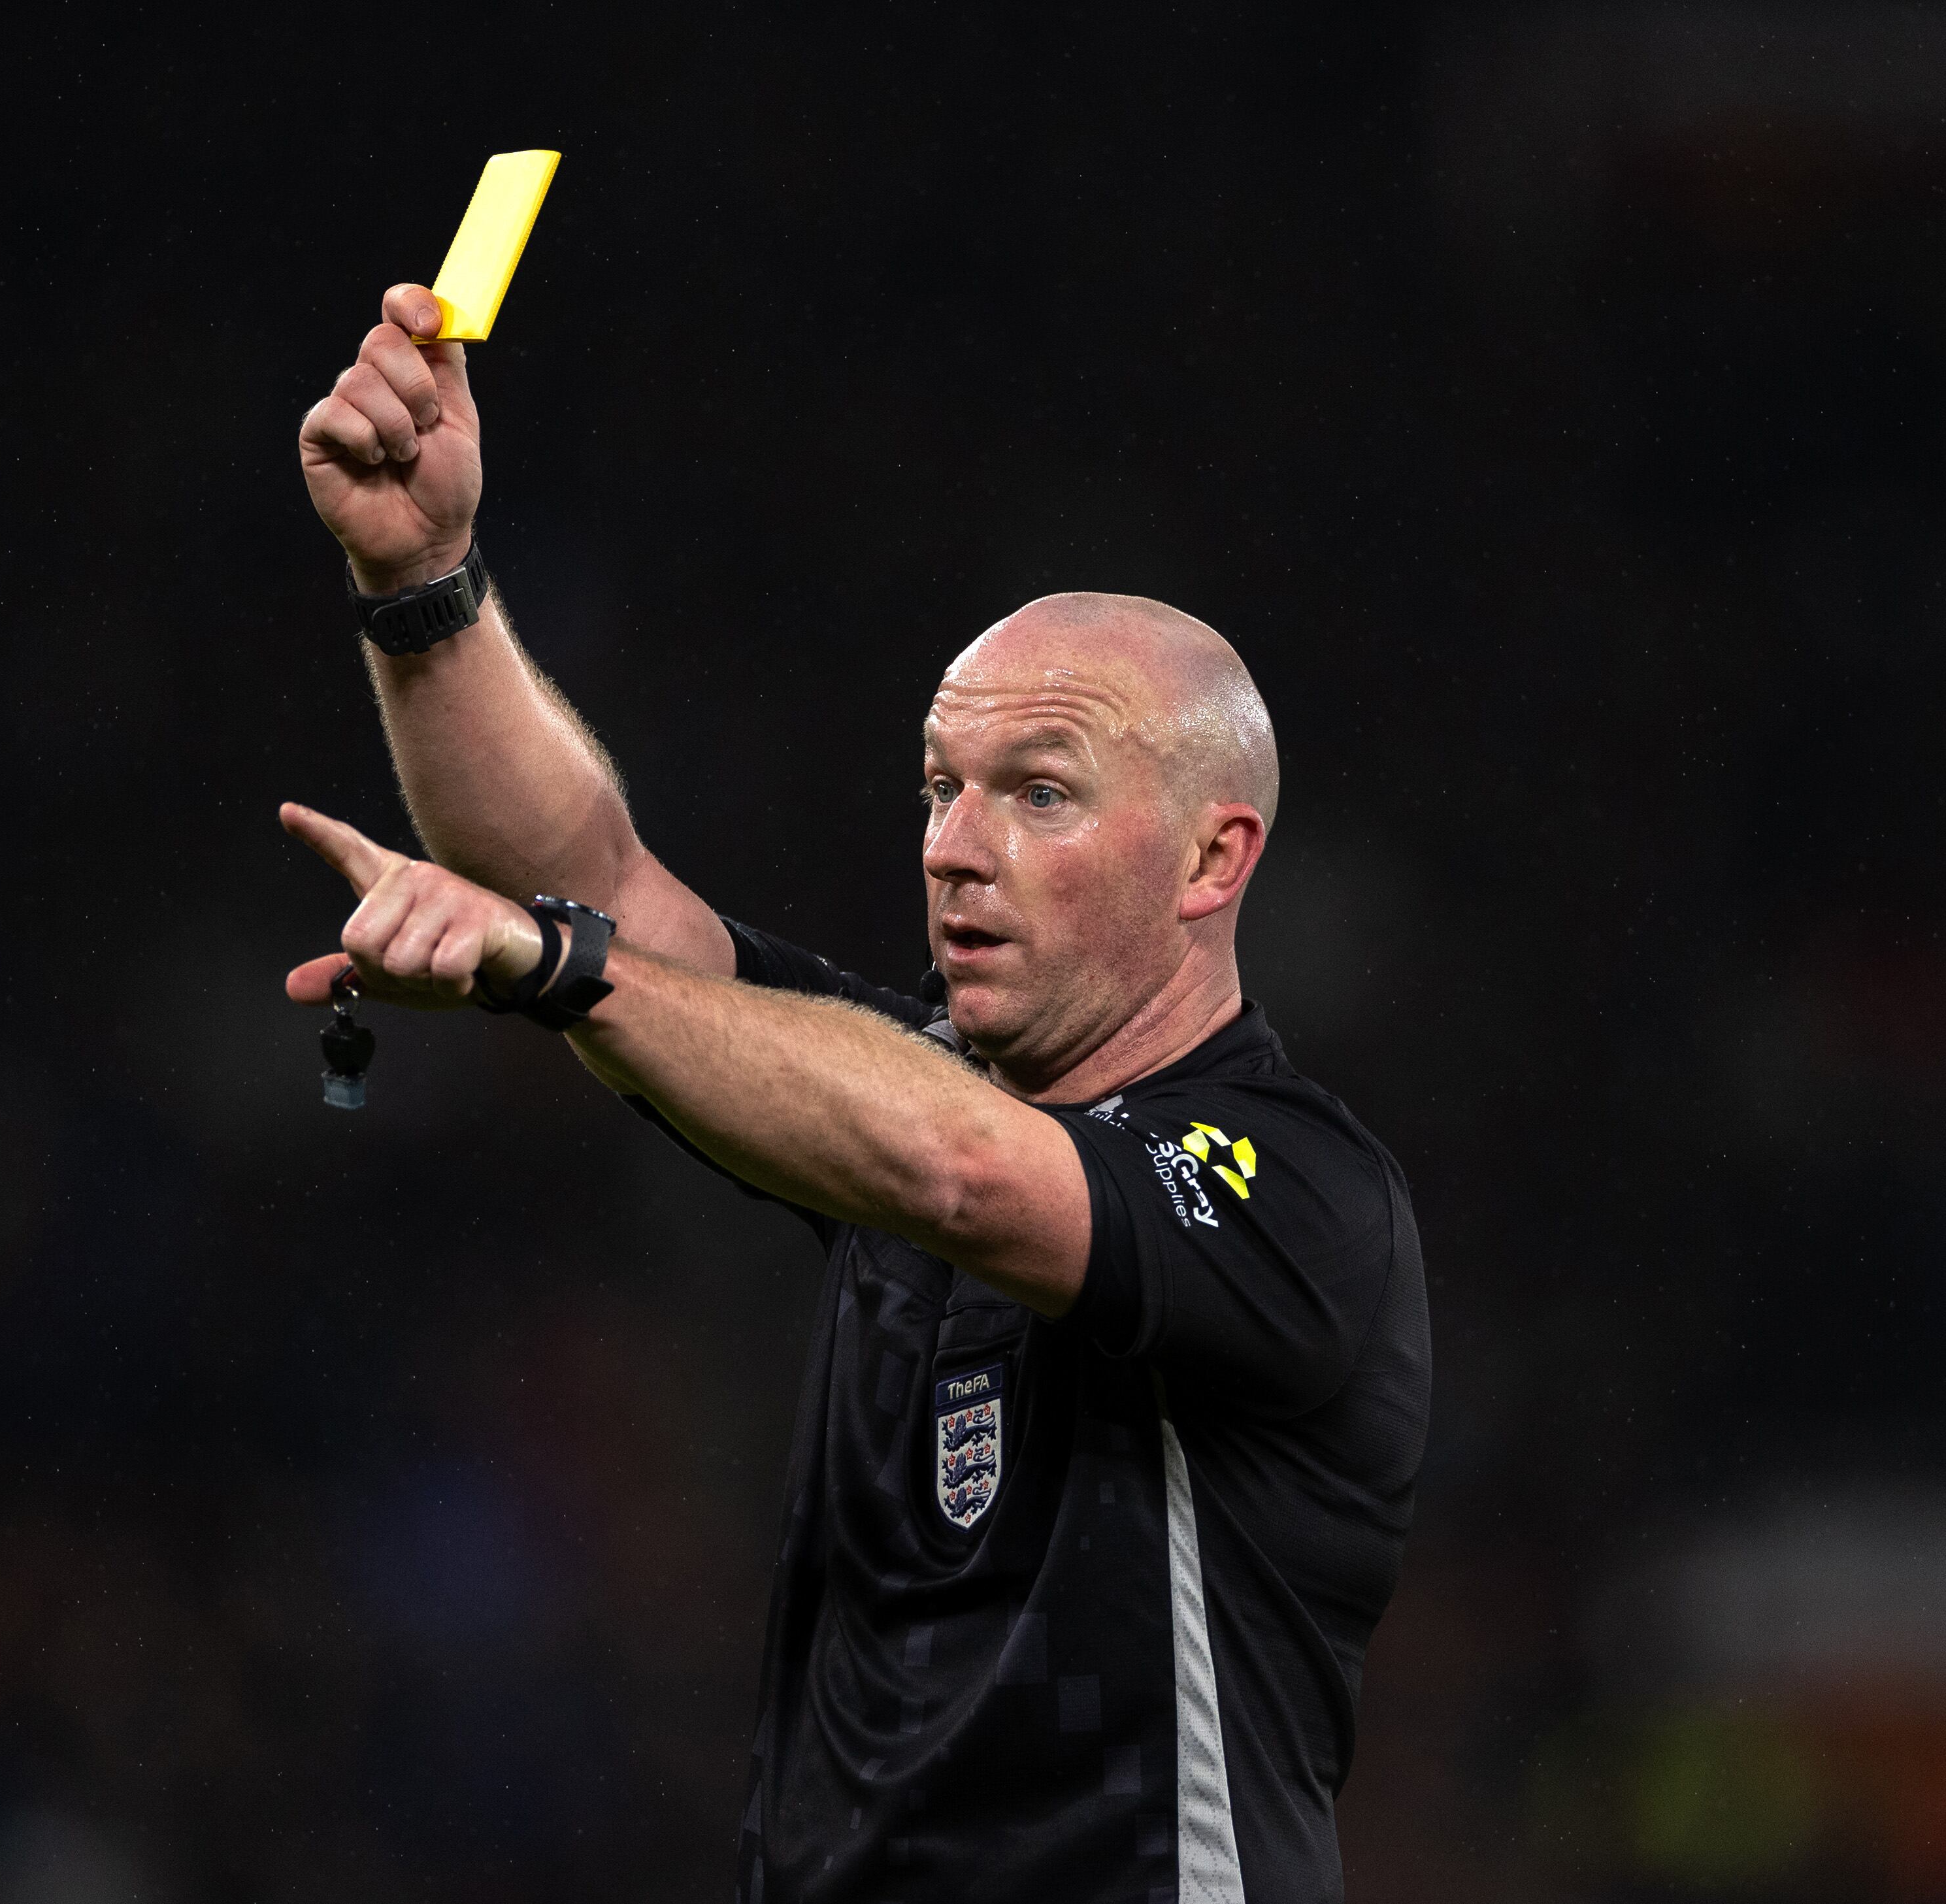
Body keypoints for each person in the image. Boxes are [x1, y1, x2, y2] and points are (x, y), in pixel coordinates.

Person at [283, 283, 1431, 1904]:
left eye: (1036, 793)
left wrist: (553, 967)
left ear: (1209, 856)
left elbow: (961, 1167)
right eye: (937, 788)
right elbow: (591, 879)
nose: (955, 844)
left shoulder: (1291, 1185)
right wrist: (418, 584)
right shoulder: (894, 1109)